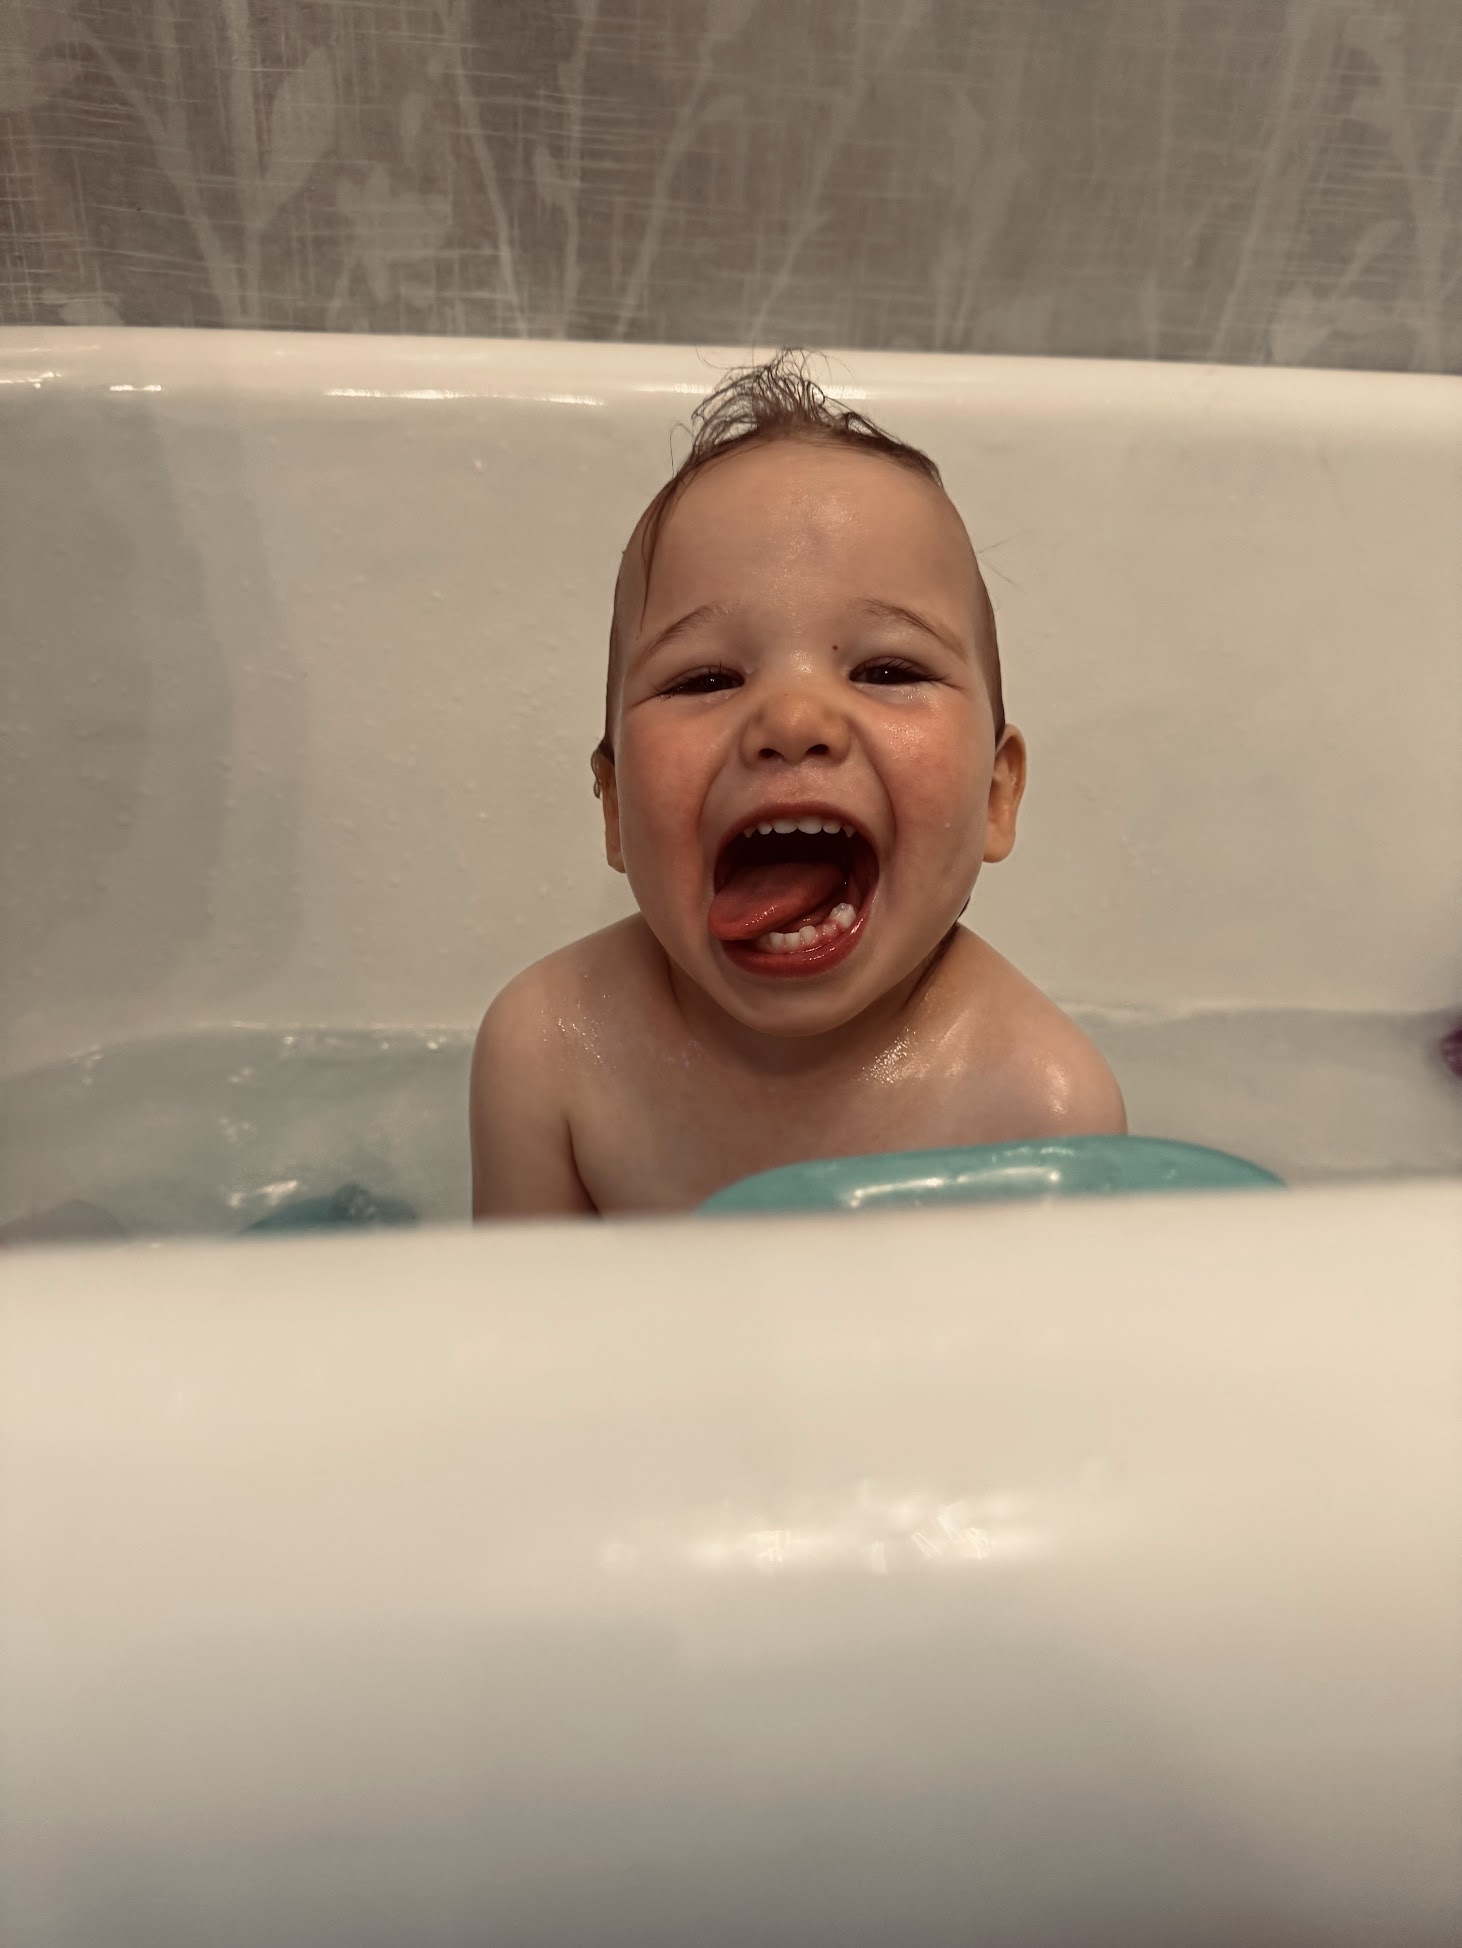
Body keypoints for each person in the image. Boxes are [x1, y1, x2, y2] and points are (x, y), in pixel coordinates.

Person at [471, 353, 1124, 1217]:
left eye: (888, 669)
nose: (791, 721)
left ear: (997, 797)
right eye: (705, 680)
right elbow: (519, 1339)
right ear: (618, 809)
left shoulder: (1042, 1109)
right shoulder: (552, 1056)